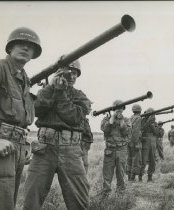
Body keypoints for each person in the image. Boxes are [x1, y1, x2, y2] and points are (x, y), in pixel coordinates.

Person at [22, 60, 91, 210]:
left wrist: (60, 93)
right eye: (68, 72)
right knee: (31, 200)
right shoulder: (46, 91)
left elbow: (73, 117)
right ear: (59, 73)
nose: (72, 76)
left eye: (75, 74)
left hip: (71, 150)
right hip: (44, 149)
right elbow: (36, 110)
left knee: (79, 202)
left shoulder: (80, 96)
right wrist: (51, 88)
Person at [0, 27, 41, 210]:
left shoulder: (24, 79)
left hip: (16, 147)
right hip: (2, 144)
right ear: (10, 47)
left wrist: (25, 145)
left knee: (9, 201)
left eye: (30, 46)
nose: (25, 48)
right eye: (20, 43)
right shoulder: (1, 68)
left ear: (33, 54)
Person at [100, 100, 131, 198]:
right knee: (107, 174)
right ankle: (105, 194)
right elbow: (105, 130)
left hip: (121, 150)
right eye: (117, 109)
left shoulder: (126, 120)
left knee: (121, 174)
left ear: (123, 109)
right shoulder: (106, 119)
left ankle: (120, 195)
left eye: (121, 108)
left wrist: (121, 121)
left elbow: (126, 133)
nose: (119, 110)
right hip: (110, 150)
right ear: (113, 109)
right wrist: (112, 119)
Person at [139, 108, 160, 182]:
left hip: (153, 142)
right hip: (145, 142)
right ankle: (140, 176)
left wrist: (152, 125)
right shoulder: (142, 121)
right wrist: (148, 122)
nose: (153, 116)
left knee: (152, 160)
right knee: (143, 161)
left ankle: (150, 177)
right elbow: (141, 130)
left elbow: (157, 133)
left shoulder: (155, 123)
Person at [127, 104, 142, 181]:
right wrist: (136, 143)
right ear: (140, 110)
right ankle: (132, 177)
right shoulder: (138, 118)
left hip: (129, 141)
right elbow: (136, 132)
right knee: (136, 160)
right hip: (134, 142)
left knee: (129, 159)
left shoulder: (131, 118)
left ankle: (129, 176)